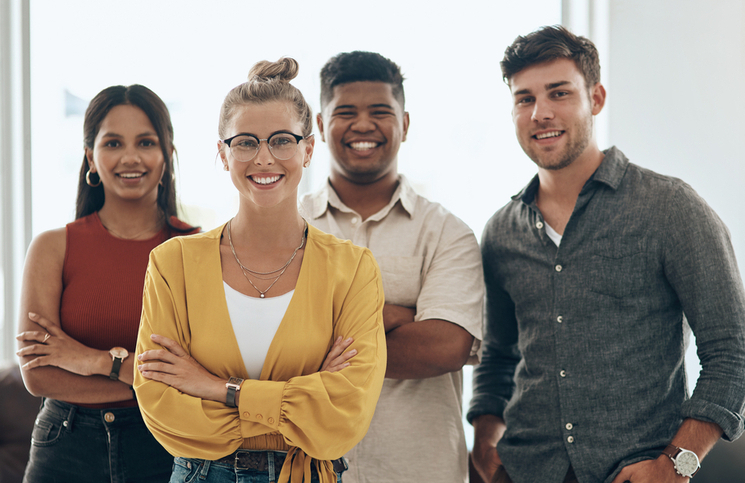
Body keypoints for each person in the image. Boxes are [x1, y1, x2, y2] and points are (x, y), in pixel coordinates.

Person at [468, 25, 745, 483]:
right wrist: (485, 441)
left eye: (558, 93)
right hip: (525, 471)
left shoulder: (669, 208)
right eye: (524, 99)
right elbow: (498, 355)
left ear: (596, 98)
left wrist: (677, 466)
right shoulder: (502, 232)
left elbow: (734, 349)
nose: (540, 113)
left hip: (637, 473)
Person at [134, 57, 387, 483]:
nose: (264, 159)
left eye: (281, 141)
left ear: (307, 149)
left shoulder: (353, 268)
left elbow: (345, 417)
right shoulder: (172, 263)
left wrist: (218, 389)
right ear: (223, 152)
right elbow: (161, 407)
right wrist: (300, 406)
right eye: (246, 142)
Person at [300, 51, 484, 483]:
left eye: (380, 112)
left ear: (404, 123)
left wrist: (327, 325)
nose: (363, 125)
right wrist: (397, 316)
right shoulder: (289, 228)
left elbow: (444, 348)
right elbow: (267, 346)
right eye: (346, 112)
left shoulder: (447, 232)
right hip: (308, 469)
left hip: (421, 470)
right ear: (322, 127)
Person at [15, 84, 198, 483]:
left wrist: (93, 361)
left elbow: (202, 377)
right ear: (90, 159)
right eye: (113, 143)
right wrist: (144, 377)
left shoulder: (198, 250)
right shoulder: (53, 247)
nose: (130, 157)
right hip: (65, 444)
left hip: (165, 446)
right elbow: (38, 375)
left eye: (146, 142)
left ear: (167, 154)